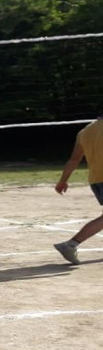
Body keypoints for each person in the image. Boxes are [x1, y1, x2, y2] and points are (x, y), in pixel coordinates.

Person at [53, 109, 103, 264]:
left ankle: (71, 245)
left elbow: (74, 160)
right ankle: (71, 244)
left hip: (96, 179)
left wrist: (63, 180)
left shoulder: (85, 132)